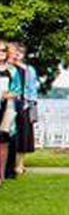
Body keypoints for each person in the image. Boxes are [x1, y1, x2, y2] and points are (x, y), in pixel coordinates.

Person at [10, 43, 38, 175]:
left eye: (20, 52)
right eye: (15, 52)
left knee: (24, 135)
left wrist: (31, 105)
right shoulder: (7, 68)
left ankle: (20, 164)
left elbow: (32, 89)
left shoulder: (29, 70)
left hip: (24, 104)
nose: (17, 55)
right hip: (9, 103)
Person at [0, 42, 20, 183]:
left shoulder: (12, 71)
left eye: (3, 50)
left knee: (3, 142)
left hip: (6, 109)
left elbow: (17, 91)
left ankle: (1, 175)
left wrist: (8, 95)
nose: (1, 52)